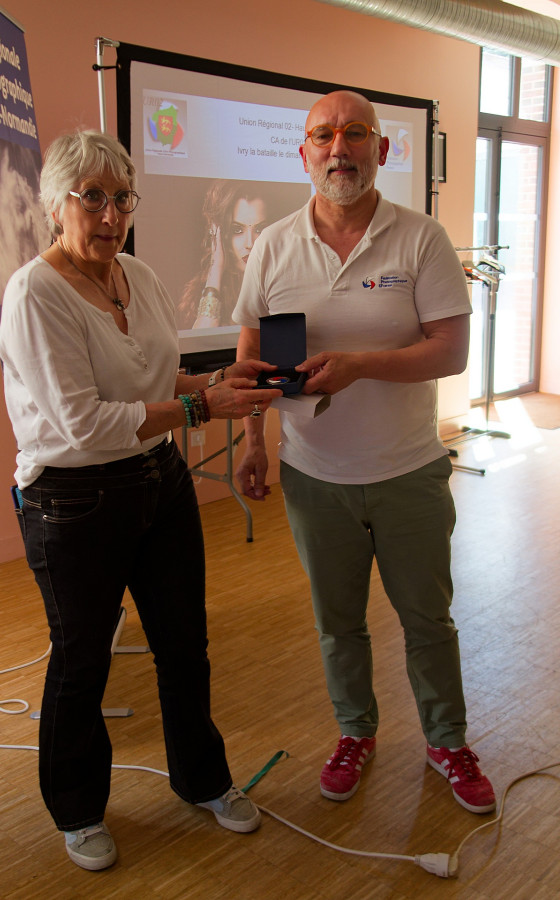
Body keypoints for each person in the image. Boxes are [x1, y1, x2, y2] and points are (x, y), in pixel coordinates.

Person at [0, 130, 281, 872]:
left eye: (122, 198)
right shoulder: (35, 292)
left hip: (159, 481)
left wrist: (220, 381)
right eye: (92, 196)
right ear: (57, 203)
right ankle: (78, 810)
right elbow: (83, 420)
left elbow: (161, 377)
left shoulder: (142, 277)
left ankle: (205, 782)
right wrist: (199, 411)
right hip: (73, 500)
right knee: (82, 661)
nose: (110, 213)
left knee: (186, 646)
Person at [233, 91, 496, 816]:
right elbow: (253, 349)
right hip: (313, 477)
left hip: (408, 471)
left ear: (383, 150)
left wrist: (358, 365)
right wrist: (254, 439)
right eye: (323, 136)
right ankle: (355, 733)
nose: (338, 148)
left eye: (355, 135)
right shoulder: (274, 245)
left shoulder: (421, 240)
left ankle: (447, 740)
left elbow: (451, 351)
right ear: (304, 152)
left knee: (427, 620)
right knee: (337, 623)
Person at [177, 180, 269, 329]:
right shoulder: (197, 295)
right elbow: (200, 341)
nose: (250, 243)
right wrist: (216, 269)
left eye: (259, 229)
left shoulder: (281, 283)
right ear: (220, 234)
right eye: (237, 230)